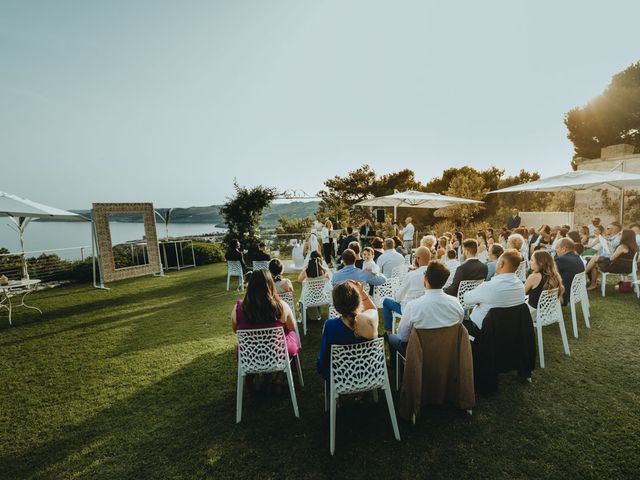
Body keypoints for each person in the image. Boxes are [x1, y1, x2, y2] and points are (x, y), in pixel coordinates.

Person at [387, 261, 464, 363]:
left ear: (426, 278)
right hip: (447, 352)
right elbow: (459, 325)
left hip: (420, 354)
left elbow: (403, 337)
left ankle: (397, 368)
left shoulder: (413, 306)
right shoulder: (456, 304)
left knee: (392, 337)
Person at [231, 269, 300, 359]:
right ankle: (286, 370)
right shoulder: (281, 306)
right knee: (293, 335)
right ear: (270, 285)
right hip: (277, 353)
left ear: (250, 287)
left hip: (249, 355)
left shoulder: (238, 308)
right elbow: (292, 328)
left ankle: (252, 372)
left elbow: (235, 330)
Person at [316, 280, 379, 379]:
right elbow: (373, 309)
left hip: (341, 376)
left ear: (336, 306)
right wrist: (362, 292)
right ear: (358, 301)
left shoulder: (330, 325)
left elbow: (324, 358)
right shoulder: (369, 321)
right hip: (369, 373)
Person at [462, 249, 526, 336]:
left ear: (501, 264)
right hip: (508, 330)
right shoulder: (520, 286)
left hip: (482, 331)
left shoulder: (489, 287)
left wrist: (480, 301)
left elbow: (466, 299)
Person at [381, 246, 431, 333]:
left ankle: (388, 331)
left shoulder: (411, 275)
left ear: (417, 259)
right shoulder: (435, 273)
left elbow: (398, 298)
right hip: (428, 308)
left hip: (411, 310)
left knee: (386, 301)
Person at [298, 251, 330, 320]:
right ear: (320, 259)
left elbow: (299, 279)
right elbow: (328, 278)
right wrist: (321, 266)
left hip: (310, 298)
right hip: (321, 296)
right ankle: (315, 314)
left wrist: (305, 269)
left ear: (310, 259)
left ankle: (310, 315)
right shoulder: (324, 271)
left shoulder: (307, 270)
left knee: (303, 295)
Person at [555, 238, 586, 305]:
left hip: (565, 295)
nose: (556, 250)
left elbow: (549, 274)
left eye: (557, 248)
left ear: (564, 248)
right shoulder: (577, 257)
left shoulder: (561, 259)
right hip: (576, 292)